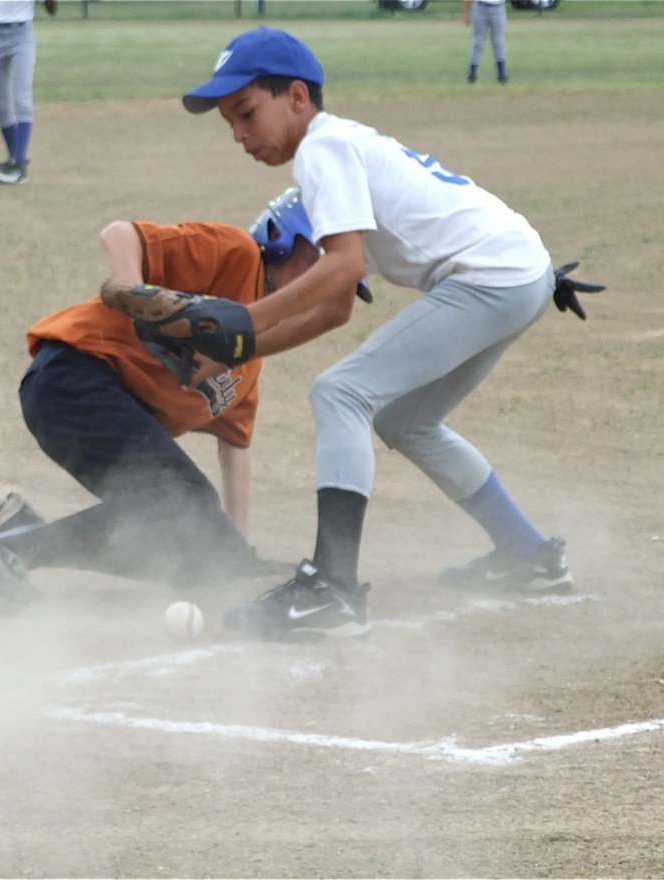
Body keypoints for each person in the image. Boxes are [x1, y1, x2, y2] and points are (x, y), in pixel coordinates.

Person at [112, 26, 587, 639]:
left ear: (299, 98)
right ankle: (530, 555)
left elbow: (345, 265)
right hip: (517, 272)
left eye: (247, 112)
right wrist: (239, 349)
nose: (238, 133)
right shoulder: (340, 147)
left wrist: (247, 321)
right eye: (230, 121)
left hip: (492, 278)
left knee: (340, 392)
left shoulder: (322, 150)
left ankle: (332, 588)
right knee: (402, 420)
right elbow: (337, 306)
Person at [0, 190, 325, 608]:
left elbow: (235, 448)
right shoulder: (237, 254)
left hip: (98, 404)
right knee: (182, 502)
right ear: (283, 237)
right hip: (72, 377)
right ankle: (6, 553)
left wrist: (233, 553)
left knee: (199, 548)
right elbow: (120, 235)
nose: (324, 283)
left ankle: (14, 535)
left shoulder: (252, 348)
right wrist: (142, 305)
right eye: (318, 261)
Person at [0, 0, 57, 185]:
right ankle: (14, 159)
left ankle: (19, 168)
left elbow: (51, 10)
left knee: (21, 99)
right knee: (0, 104)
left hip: (21, 34)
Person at [463, 0, 508, 84]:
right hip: (480, 7)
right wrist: (466, 13)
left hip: (498, 7)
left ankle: (502, 75)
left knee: (498, 42)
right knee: (478, 42)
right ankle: (472, 75)